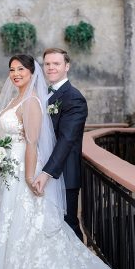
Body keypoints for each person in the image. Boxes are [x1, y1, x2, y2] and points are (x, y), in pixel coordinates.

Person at [0, 55, 133, 269]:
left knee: (30, 227)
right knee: (7, 226)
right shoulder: (15, 99)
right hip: (6, 174)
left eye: (21, 69)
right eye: (11, 69)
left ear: (33, 72)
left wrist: (33, 176)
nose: (16, 73)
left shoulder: (35, 101)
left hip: (24, 172)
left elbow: (35, 143)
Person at [32, 48, 88, 241]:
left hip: (62, 174)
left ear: (67, 66)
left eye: (56, 64)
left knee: (69, 226)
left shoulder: (73, 97)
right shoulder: (45, 94)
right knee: (50, 225)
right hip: (43, 169)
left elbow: (67, 139)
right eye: (47, 64)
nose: (51, 68)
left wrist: (46, 173)